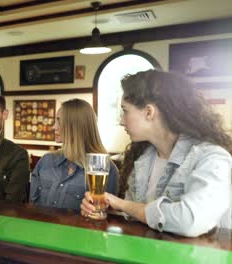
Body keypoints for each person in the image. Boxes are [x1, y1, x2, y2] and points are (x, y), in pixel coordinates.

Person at [81, 70, 232, 237]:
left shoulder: (211, 158)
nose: (121, 121)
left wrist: (123, 205)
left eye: (125, 111)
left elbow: (190, 221)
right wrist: (109, 208)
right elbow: (137, 219)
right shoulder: (143, 158)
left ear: (148, 112)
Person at [30, 99, 118, 211]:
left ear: (76, 127)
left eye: (59, 122)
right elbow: (32, 209)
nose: (53, 127)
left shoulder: (104, 169)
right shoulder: (45, 161)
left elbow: (105, 215)